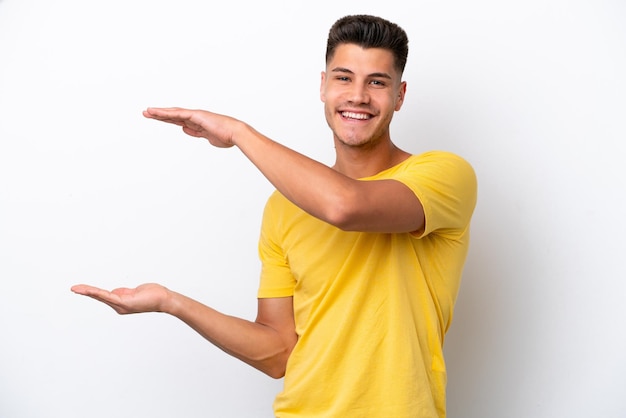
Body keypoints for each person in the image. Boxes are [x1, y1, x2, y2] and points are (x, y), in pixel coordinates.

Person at [71, 14, 477, 417]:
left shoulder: (443, 175)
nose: (358, 95)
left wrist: (238, 133)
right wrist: (170, 302)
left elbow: (346, 207)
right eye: (343, 77)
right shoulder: (284, 207)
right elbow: (277, 353)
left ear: (400, 95)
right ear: (322, 86)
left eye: (377, 82)